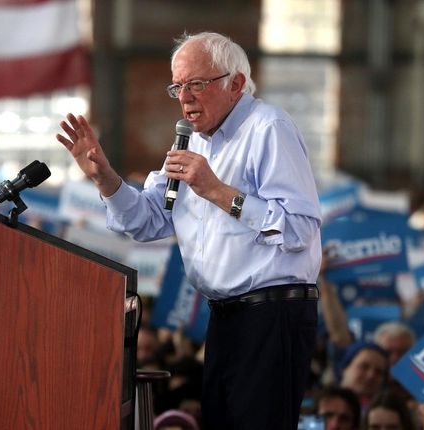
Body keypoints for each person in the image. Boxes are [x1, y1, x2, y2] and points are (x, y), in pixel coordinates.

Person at [57, 31, 322, 429]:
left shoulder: (268, 129)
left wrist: (216, 191)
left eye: (196, 84)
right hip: (226, 319)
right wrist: (106, 179)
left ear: (235, 83)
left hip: (273, 314)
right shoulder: (192, 142)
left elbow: (299, 227)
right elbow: (147, 221)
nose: (185, 97)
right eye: (178, 86)